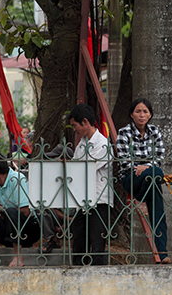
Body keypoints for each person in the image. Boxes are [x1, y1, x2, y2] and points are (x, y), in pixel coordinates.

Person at [116, 98, 172, 264]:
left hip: (151, 179)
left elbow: (159, 156)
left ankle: (163, 255)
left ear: (150, 115)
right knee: (156, 172)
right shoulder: (124, 132)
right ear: (132, 114)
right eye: (138, 111)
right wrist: (144, 166)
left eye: (145, 111)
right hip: (131, 178)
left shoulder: (154, 131)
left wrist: (146, 166)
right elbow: (125, 161)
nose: (142, 115)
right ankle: (140, 197)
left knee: (159, 214)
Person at [67, 104, 113, 265]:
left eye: (75, 125)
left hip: (99, 200)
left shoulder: (102, 144)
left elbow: (84, 169)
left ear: (85, 122)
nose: (74, 129)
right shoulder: (82, 144)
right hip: (83, 202)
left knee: (97, 243)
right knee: (79, 241)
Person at [39, 144, 74, 254]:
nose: (52, 162)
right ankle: (53, 239)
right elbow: (50, 205)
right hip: (59, 218)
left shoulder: (77, 177)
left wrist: (68, 222)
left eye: (55, 159)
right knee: (41, 207)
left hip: (76, 220)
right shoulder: (52, 179)